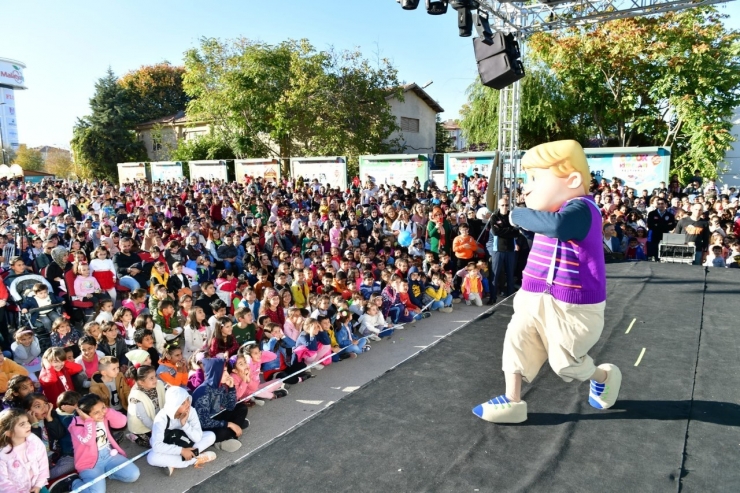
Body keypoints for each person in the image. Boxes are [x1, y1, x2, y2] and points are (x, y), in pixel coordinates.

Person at [473, 140, 621, 424]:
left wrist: (516, 214)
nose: (526, 187)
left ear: (573, 179)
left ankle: (604, 376)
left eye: (535, 178)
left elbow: (558, 227)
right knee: (517, 340)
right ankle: (513, 399)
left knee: (565, 363)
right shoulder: (550, 213)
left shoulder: (583, 209)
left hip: (571, 303)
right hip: (533, 293)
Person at [69, 394, 140, 493]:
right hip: (89, 463)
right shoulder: (76, 424)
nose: (102, 413)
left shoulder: (104, 415)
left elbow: (122, 422)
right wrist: (89, 421)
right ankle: (73, 482)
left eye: (103, 407)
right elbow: (88, 441)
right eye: (96, 412)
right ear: (85, 414)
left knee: (133, 474)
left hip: (109, 454)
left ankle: (106, 473)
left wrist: (107, 411)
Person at [147, 386, 217, 475]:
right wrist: (182, 451)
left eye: (187, 400)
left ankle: (174, 462)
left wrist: (184, 424)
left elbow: (197, 438)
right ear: (174, 405)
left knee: (211, 436)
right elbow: (157, 445)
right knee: (151, 458)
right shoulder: (161, 418)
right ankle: (196, 458)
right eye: (183, 403)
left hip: (185, 441)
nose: (187, 404)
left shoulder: (191, 411)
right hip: (170, 444)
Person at [192, 358, 249, 453]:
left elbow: (230, 407)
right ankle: (226, 437)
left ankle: (231, 433)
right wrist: (229, 424)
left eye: (227, 371)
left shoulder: (220, 386)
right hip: (203, 426)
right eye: (224, 372)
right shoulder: (202, 392)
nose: (227, 375)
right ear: (215, 373)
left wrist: (231, 388)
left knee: (242, 408)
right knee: (223, 432)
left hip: (215, 417)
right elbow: (203, 422)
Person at [0, 408, 50, 493]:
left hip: (37, 485)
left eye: (27, 421)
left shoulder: (34, 441)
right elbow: (3, 482)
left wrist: (38, 485)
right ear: (9, 432)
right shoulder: (3, 454)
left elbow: (43, 464)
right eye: (22, 424)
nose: (28, 425)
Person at [487, 199, 518, 305]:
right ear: (499, 205)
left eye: (506, 205)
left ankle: (510, 299)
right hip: (498, 250)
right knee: (495, 275)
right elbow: (496, 232)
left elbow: (516, 232)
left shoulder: (512, 216)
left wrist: (503, 230)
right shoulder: (494, 217)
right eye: (503, 205)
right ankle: (492, 297)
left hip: (510, 250)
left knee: (510, 275)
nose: (505, 207)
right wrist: (510, 230)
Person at [125, 365, 166, 448]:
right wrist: (156, 429)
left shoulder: (159, 385)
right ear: (141, 382)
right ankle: (135, 436)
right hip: (143, 425)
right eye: (151, 378)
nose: (155, 380)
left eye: (155, 376)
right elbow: (143, 418)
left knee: (167, 438)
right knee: (154, 444)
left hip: (158, 420)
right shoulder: (136, 396)